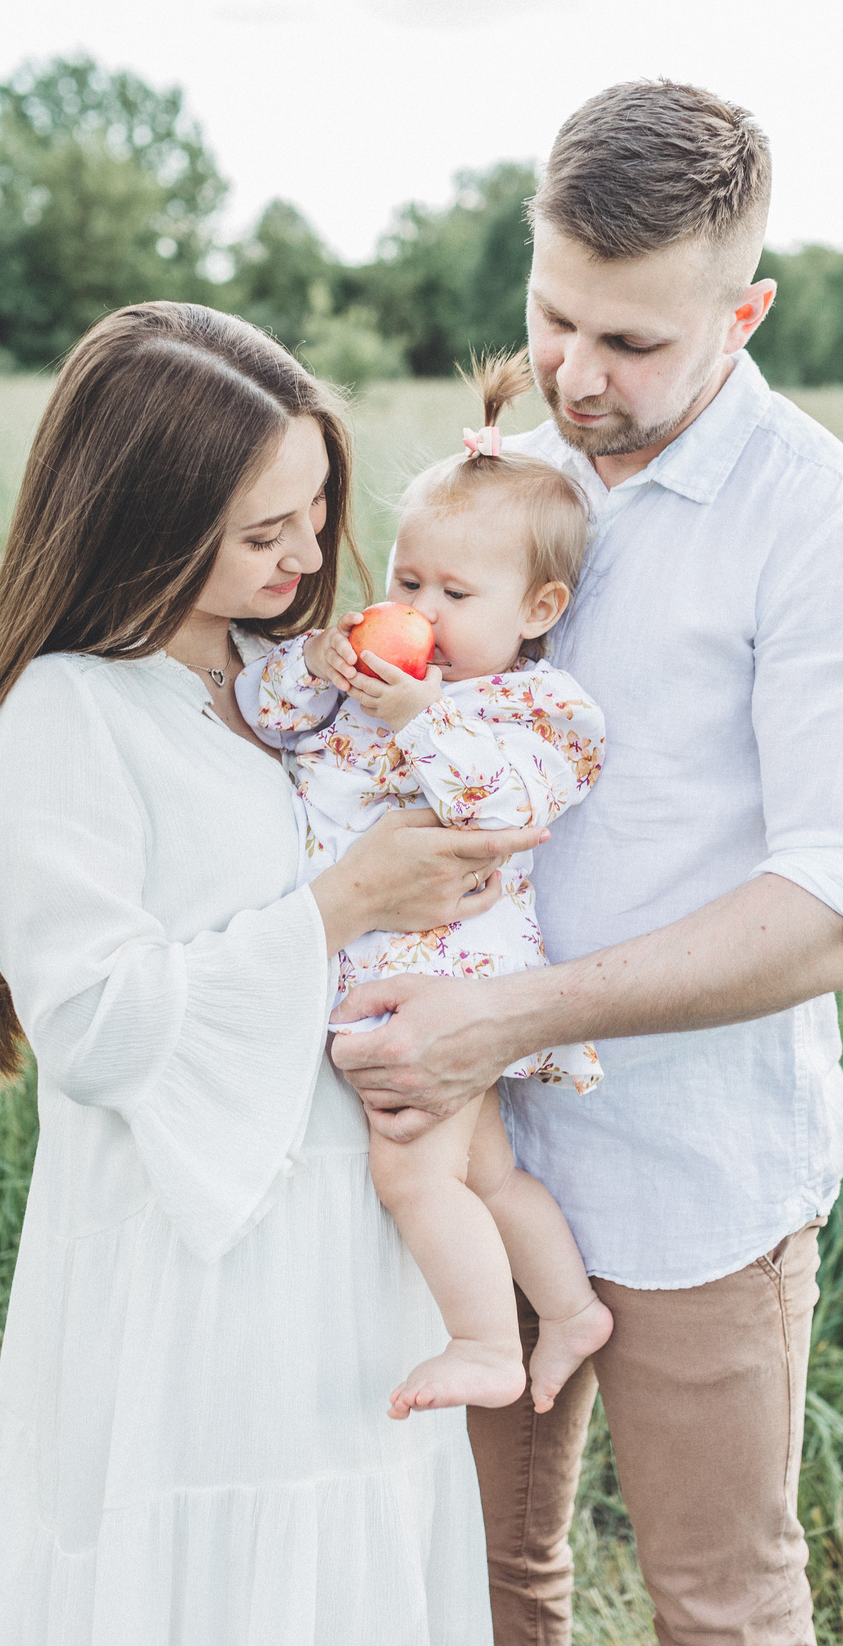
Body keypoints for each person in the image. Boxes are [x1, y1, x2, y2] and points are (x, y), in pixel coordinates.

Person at [328, 83, 843, 1645]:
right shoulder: (500, 492)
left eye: (635, 344)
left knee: (719, 1603)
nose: (578, 374)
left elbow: (836, 911)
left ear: (744, 310)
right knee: (474, 1585)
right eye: (557, 320)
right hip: (469, 1152)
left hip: (698, 1172)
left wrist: (524, 1009)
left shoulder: (837, 543)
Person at [0, 302, 542, 1645]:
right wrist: (346, 899)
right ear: (145, 516)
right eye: (265, 530)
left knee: (345, 1563)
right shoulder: (70, 711)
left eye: (318, 510)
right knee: (201, 1573)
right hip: (185, 1265)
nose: (311, 553)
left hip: (352, 1248)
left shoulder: (293, 685)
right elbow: (92, 1021)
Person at [244, 352, 615, 1425]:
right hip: (399, 967)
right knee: (486, 1174)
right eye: (408, 582)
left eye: (456, 594)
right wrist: (311, 668)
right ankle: (569, 1305)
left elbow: (501, 810)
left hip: (446, 989)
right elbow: (269, 720)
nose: (421, 610)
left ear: (538, 607)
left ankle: (487, 1343)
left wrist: (423, 719)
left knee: (412, 1175)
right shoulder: (372, 686)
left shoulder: (534, 711)